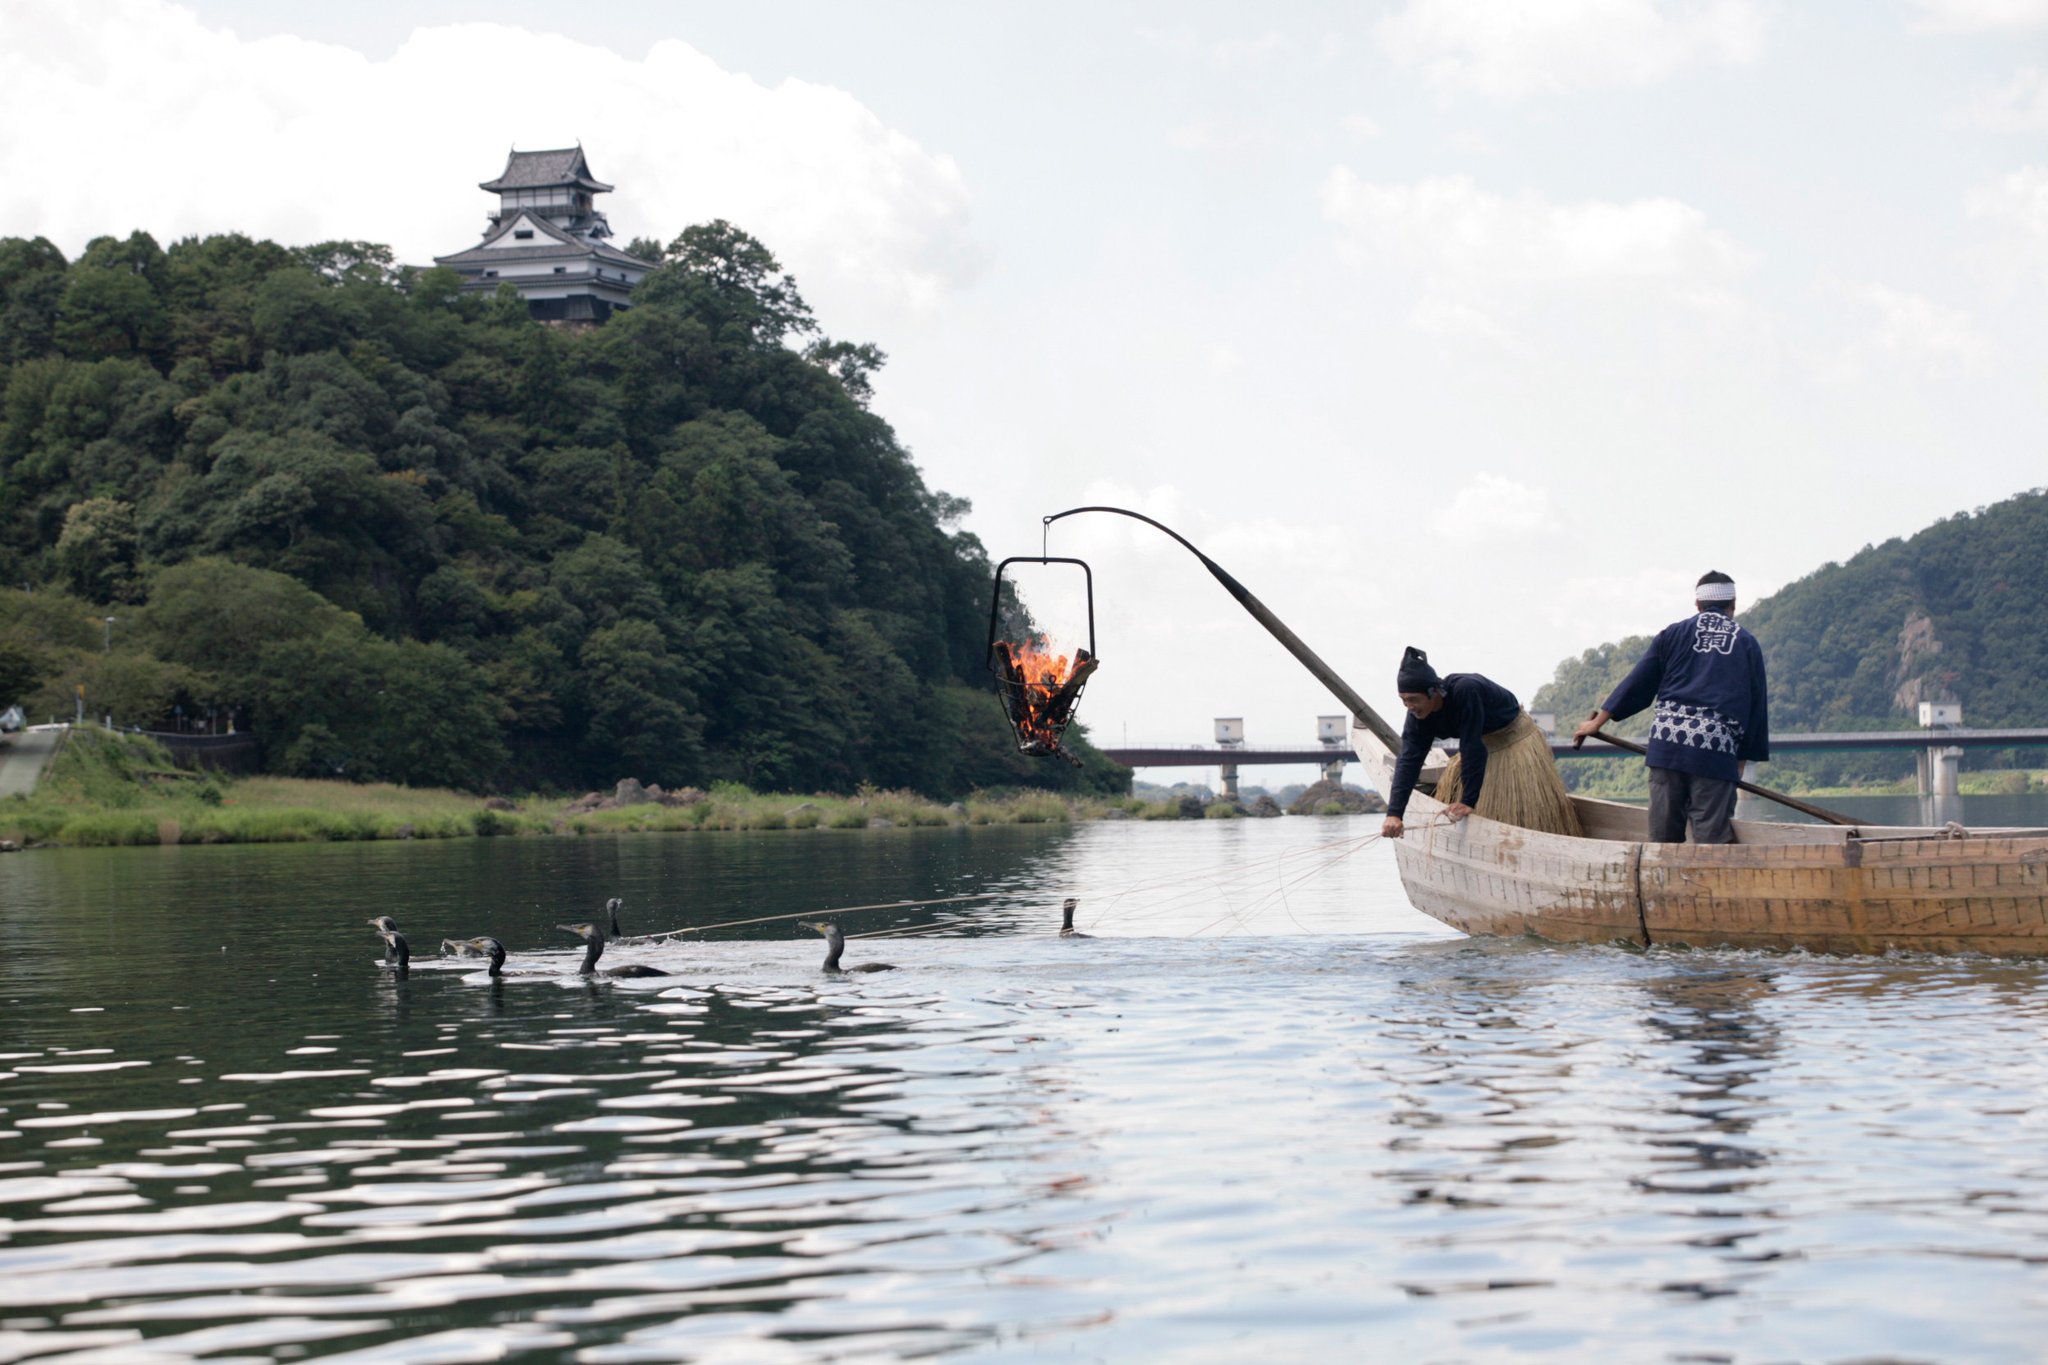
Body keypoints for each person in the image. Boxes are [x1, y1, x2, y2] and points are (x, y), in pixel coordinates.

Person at [1571, 571, 1768, 844]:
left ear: (1697, 605)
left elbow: (1639, 681)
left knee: (1664, 834)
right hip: (1715, 749)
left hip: (1668, 745)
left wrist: (1597, 722)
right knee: (1712, 838)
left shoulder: (1673, 633)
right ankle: (1709, 881)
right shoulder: (1746, 643)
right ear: (1733, 604)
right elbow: (1755, 709)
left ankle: (1663, 881)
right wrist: (1741, 760)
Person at [1381, 646, 1582, 840]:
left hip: (1513, 739)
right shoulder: (1417, 716)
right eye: (1404, 700)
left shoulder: (1465, 691)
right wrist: (1395, 813)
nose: (1410, 707)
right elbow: (1409, 760)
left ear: (1434, 692)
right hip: (1484, 743)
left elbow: (1471, 746)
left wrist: (1468, 801)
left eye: (1413, 699)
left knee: (1521, 811)